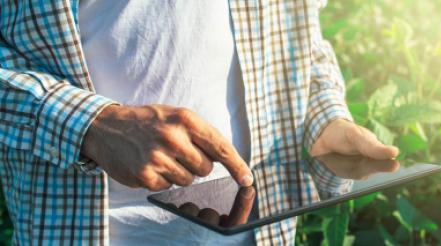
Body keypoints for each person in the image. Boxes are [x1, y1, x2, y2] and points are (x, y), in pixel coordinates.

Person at [0, 0, 398, 245]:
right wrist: (92, 125)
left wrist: (324, 117)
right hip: (85, 231)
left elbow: (300, 36)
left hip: (259, 234)